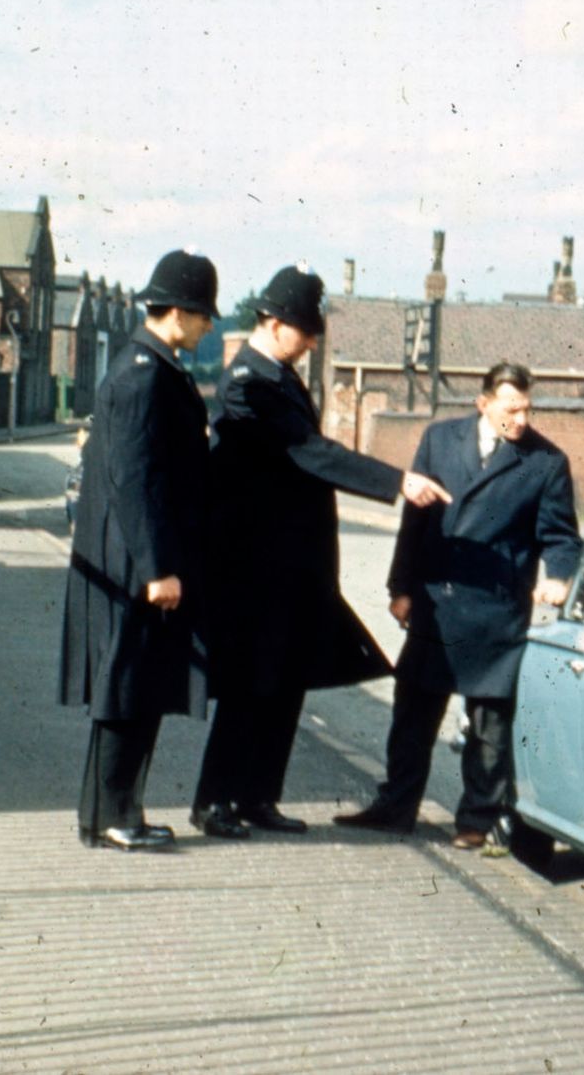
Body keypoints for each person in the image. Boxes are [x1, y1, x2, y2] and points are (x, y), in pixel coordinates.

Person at [190, 266, 450, 840]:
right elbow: (310, 451)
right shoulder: (246, 384)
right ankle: (214, 801)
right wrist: (395, 482)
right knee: (249, 685)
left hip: (290, 570)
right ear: (275, 323)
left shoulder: (278, 375)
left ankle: (259, 795)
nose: (312, 341)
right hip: (254, 569)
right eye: (305, 330)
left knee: (284, 682)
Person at [335, 362, 581, 849]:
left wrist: (557, 576)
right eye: (511, 409)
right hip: (436, 603)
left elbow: (561, 536)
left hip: (497, 611)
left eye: (527, 408)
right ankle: (395, 807)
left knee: (489, 729)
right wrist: (400, 588)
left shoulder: (546, 462)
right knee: (412, 716)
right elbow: (415, 522)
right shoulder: (440, 441)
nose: (522, 419)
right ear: (483, 403)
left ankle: (476, 820)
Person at [58, 249, 218, 852]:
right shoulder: (142, 374)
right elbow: (133, 477)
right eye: (203, 316)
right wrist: (158, 569)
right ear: (177, 313)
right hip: (134, 569)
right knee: (126, 691)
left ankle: (113, 813)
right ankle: (114, 816)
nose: (207, 326)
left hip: (137, 564)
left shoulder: (151, 365)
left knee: (134, 689)